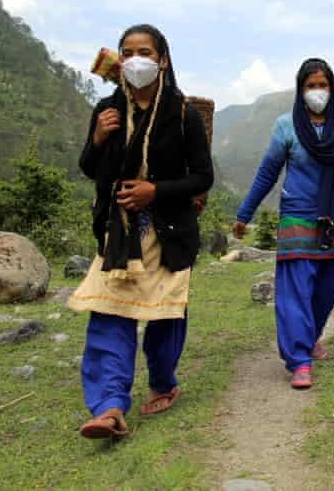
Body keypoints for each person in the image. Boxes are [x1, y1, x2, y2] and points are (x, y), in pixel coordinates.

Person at [68, 24, 213, 438]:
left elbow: (202, 177)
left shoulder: (183, 114)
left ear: (162, 59)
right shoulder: (107, 111)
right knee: (110, 314)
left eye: (145, 52)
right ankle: (109, 406)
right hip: (120, 237)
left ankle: (163, 381)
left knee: (165, 315)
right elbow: (90, 169)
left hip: (168, 232)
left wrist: (156, 191)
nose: (136, 59)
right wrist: (97, 140)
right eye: (127, 51)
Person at [233, 58, 334, 389]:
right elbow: (268, 172)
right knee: (296, 291)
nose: (317, 92)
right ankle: (299, 360)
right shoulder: (286, 126)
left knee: (328, 288)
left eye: (323, 85)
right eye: (311, 86)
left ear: (332, 88)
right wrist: (245, 213)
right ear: (300, 90)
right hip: (297, 215)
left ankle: (310, 337)